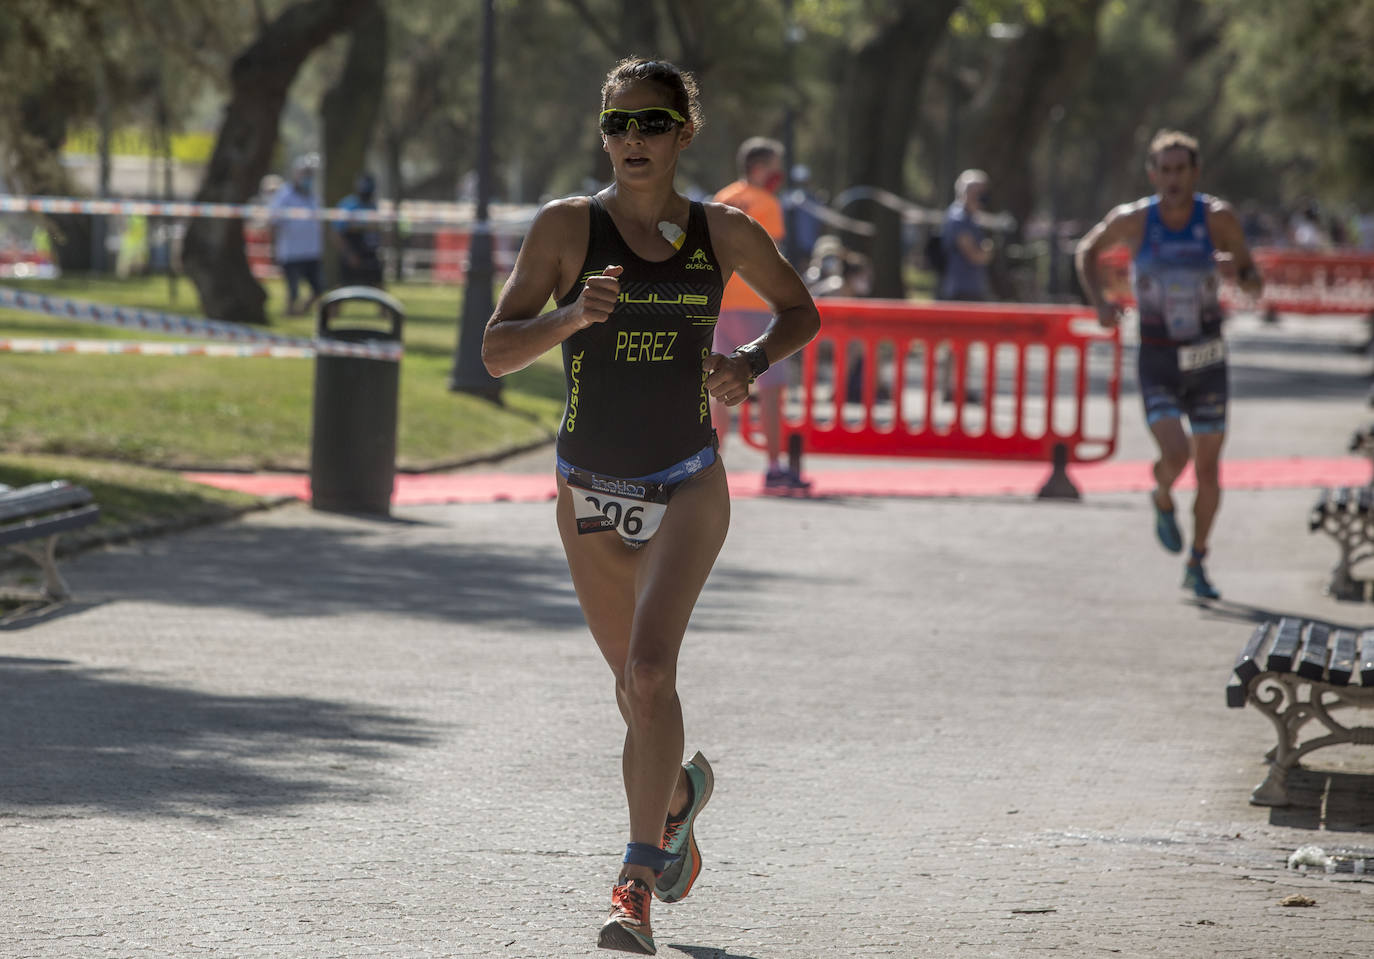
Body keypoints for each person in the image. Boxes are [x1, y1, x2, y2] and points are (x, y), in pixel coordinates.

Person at [480, 57, 819, 955]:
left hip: (686, 479)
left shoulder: (726, 232)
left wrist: (748, 365)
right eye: (618, 123)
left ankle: (634, 881)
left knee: (651, 671)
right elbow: (496, 352)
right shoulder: (566, 228)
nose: (634, 138)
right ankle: (675, 797)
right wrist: (566, 319)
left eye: (652, 123)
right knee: (629, 688)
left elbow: (800, 310)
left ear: (684, 133)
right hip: (588, 488)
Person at [1075, 129, 1263, 600]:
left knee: (1208, 469)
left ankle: (1198, 560)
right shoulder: (1134, 220)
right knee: (1175, 455)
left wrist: (1249, 282)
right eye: (1165, 169)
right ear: (1152, 173)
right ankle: (1161, 495)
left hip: (1208, 358)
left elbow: (1246, 269)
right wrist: (1100, 303)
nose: (1173, 178)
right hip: (1157, 356)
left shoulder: (1217, 218)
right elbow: (1087, 251)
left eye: (1182, 169)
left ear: (1195, 173)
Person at [712, 137, 809, 492]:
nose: (778, 173)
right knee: (771, 388)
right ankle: (772, 467)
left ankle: (709, 465)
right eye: (774, 165)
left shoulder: (721, 199)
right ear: (758, 167)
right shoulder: (768, 204)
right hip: (755, 304)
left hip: (720, 305)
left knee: (715, 386)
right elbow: (774, 258)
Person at [269, 154, 324, 315]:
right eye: (304, 173)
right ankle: (290, 314)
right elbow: (273, 222)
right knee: (293, 291)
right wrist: (273, 248)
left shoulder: (313, 196)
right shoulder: (285, 195)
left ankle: (300, 312)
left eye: (310, 174)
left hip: (312, 251)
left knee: (319, 288)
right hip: (291, 251)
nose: (307, 177)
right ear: (296, 173)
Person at [938, 168, 993, 302]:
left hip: (973, 287)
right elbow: (974, 255)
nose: (981, 197)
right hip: (961, 290)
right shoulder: (959, 218)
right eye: (977, 192)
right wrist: (987, 251)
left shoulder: (972, 218)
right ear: (966, 193)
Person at [332, 171, 384, 287]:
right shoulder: (348, 205)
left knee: (379, 289)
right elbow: (337, 234)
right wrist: (349, 255)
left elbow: (376, 232)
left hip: (370, 256)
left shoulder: (373, 206)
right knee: (341, 291)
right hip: (351, 255)